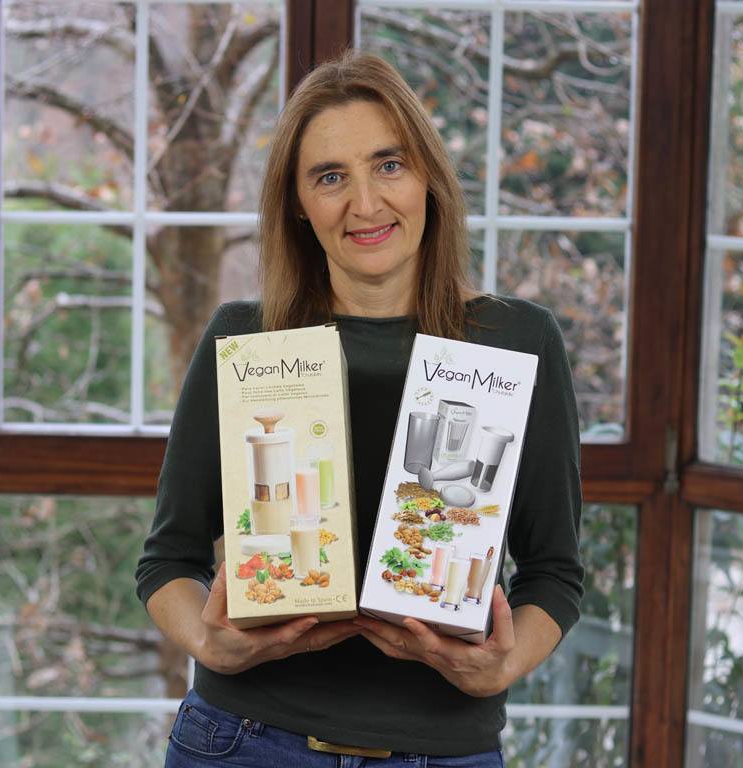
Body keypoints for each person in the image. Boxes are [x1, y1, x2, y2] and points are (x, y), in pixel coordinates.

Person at [136, 51, 583, 766]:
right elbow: (167, 561)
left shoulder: (516, 340)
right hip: (244, 742)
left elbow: (554, 571)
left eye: (389, 165)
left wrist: (502, 665)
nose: (366, 204)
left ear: (429, 176)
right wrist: (208, 642)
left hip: (444, 750)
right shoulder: (247, 340)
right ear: (297, 203)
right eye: (330, 177)